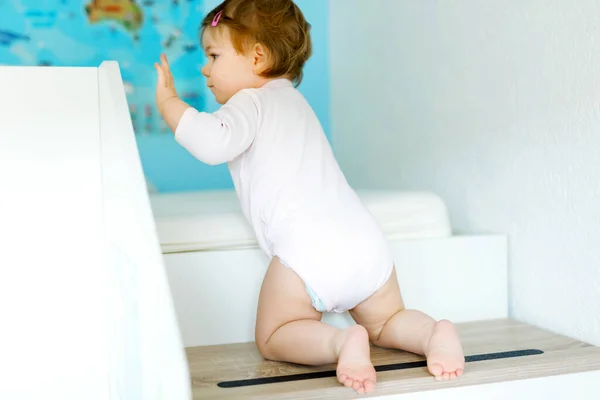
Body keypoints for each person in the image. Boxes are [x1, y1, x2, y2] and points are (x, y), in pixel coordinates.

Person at [154, 0, 465, 394]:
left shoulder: (250, 101)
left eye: (214, 55)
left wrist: (169, 103)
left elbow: (214, 143)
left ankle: (341, 343)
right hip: (366, 242)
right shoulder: (296, 102)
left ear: (258, 56)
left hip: (309, 252)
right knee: (387, 322)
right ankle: (433, 335)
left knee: (274, 334)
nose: (205, 68)